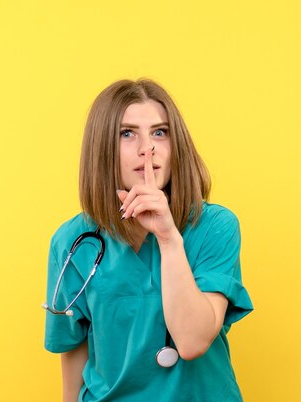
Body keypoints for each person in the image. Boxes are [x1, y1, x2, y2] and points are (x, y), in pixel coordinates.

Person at [43, 79, 253, 401]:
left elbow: (192, 341)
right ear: (101, 149)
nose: (147, 148)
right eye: (127, 134)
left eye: (160, 132)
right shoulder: (73, 243)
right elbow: (73, 356)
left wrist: (168, 238)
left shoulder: (215, 227)